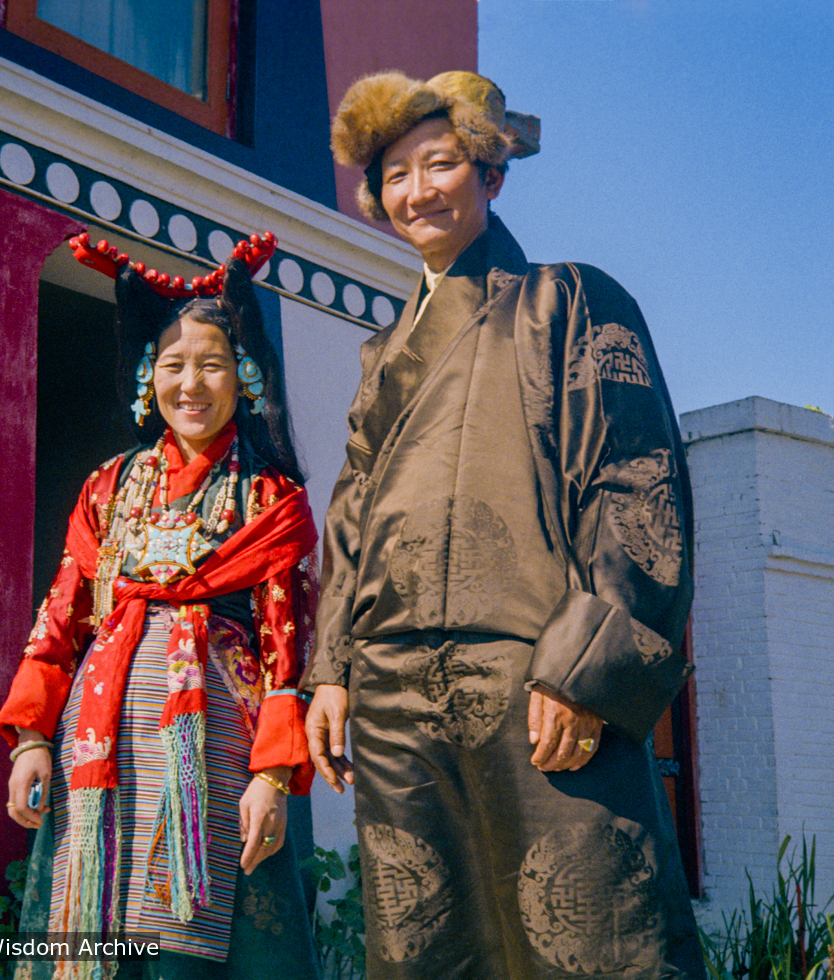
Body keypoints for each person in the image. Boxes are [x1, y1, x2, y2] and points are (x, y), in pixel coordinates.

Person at [303, 71, 705, 980]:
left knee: (593, 942)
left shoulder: (570, 299)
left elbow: (634, 481)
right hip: (394, 700)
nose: (417, 191)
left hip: (538, 683)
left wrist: (584, 671)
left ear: (491, 175)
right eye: (395, 176)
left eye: (440, 165)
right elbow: (351, 519)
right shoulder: (384, 357)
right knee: (427, 954)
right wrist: (330, 673)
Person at [0, 234, 320, 980]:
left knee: (191, 945)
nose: (191, 384)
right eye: (173, 365)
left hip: (219, 759)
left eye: (212, 364)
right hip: (97, 749)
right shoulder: (107, 487)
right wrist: (29, 739)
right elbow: (61, 619)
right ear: (149, 376)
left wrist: (273, 777)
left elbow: (289, 652)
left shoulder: (269, 499)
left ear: (245, 375)